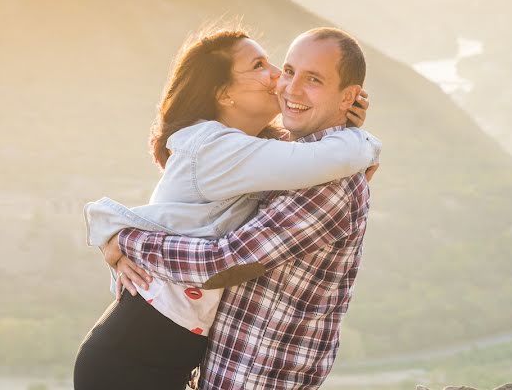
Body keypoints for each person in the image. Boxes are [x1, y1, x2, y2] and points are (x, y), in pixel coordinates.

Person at [74, 26, 380, 390]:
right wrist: (358, 138)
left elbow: (223, 262)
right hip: (133, 358)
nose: (282, 82)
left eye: (312, 78)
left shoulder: (306, 171)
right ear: (222, 92)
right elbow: (221, 264)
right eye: (275, 69)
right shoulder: (217, 149)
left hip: (202, 365)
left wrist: (127, 240)